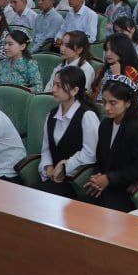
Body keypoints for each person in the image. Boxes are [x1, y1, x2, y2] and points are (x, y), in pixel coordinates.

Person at [82, 77, 138, 211]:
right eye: (104, 102)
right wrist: (97, 177)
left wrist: (110, 179)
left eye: (113, 103)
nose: (107, 108)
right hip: (107, 186)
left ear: (128, 103)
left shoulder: (137, 129)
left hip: (128, 190)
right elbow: (100, 159)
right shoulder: (105, 124)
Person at [36, 66, 101, 198]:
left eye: (59, 86)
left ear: (75, 90)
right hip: (54, 179)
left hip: (75, 181)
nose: (53, 89)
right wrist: (47, 167)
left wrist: (66, 165)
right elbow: (46, 149)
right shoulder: (52, 114)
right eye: (54, 84)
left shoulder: (87, 115)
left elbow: (91, 153)